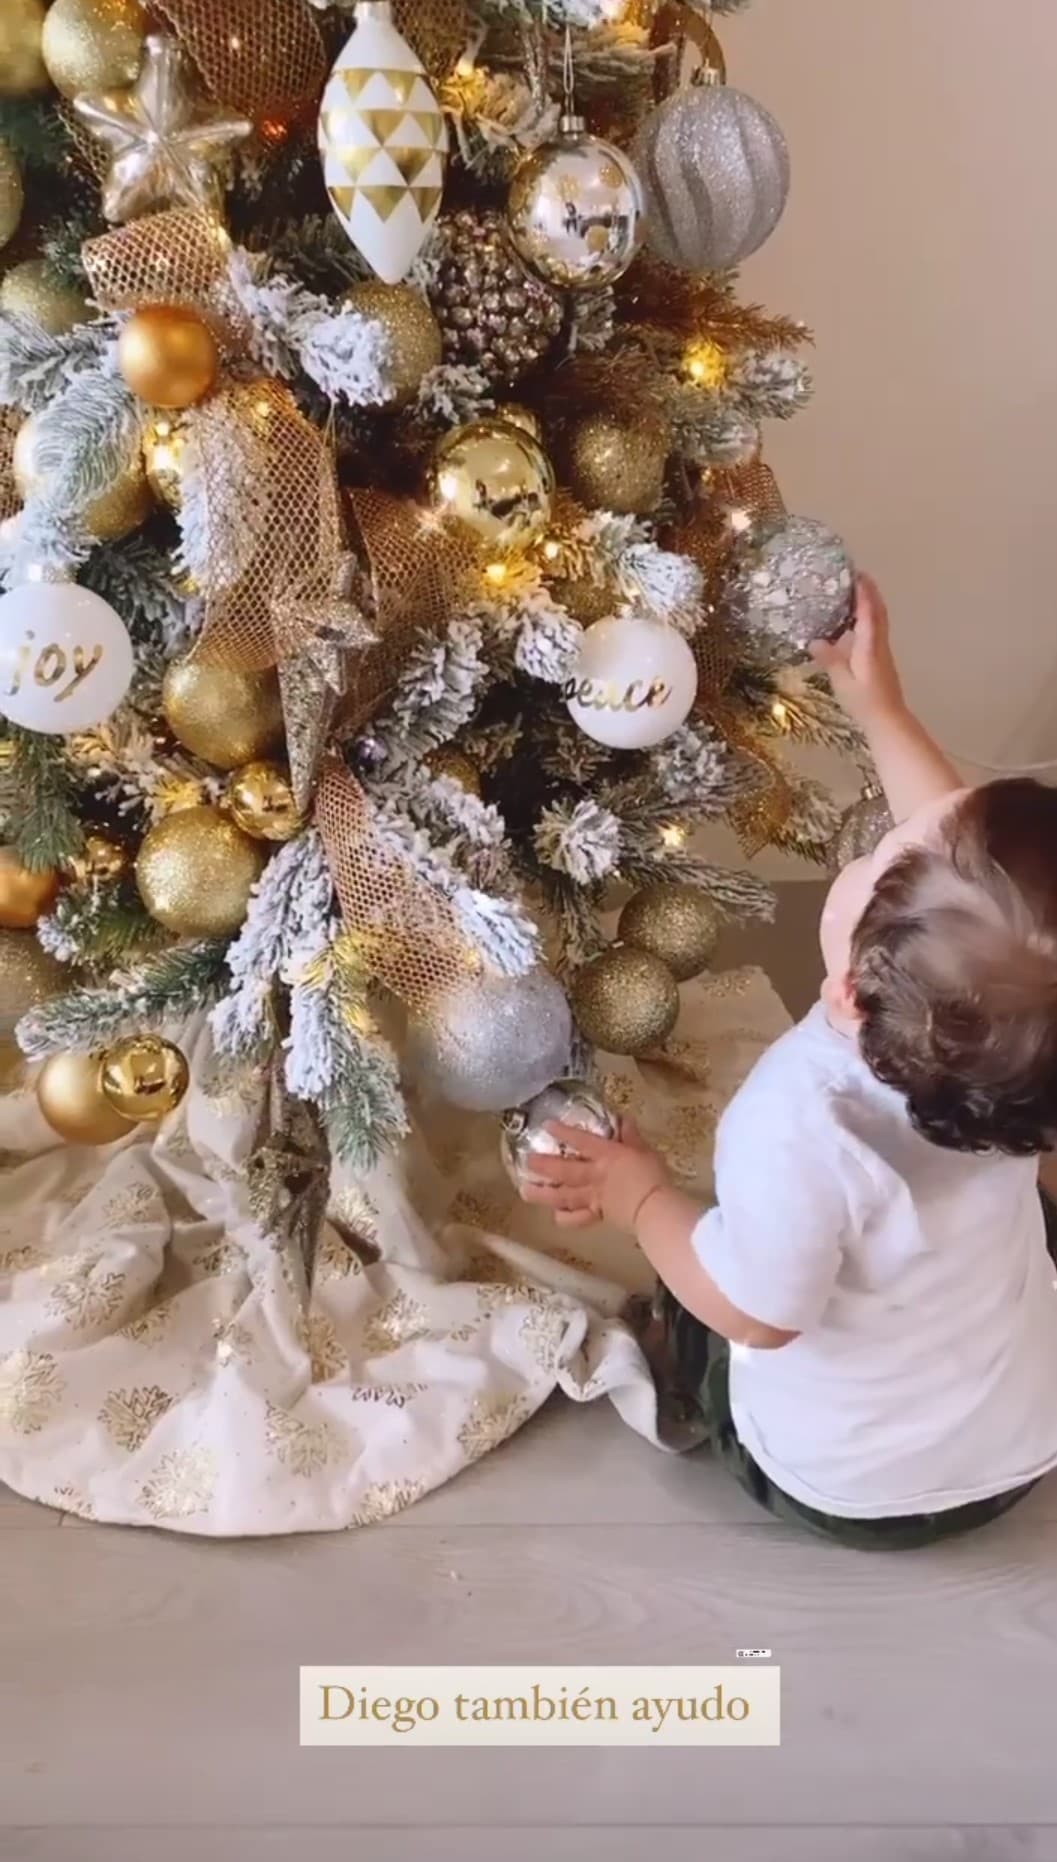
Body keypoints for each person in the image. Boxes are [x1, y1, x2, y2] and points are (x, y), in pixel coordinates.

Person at [523, 577, 1057, 1548]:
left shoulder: (794, 1118)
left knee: (698, 1309)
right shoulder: (1018, 1064)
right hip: (1019, 1445)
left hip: (852, 1487)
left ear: (851, 989)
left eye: (883, 854)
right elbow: (956, 857)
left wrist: (644, 1198)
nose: (902, 822)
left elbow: (759, 1314)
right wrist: (876, 705)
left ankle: (706, 1392)